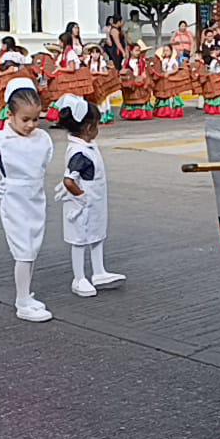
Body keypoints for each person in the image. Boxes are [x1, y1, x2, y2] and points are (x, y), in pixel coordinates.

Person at [0, 78, 54, 323]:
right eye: (25, 119)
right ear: (11, 114)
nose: (31, 125)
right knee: (23, 250)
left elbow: (42, 164)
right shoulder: (0, 140)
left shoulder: (42, 139)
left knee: (32, 248)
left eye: (35, 119)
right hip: (14, 198)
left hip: (36, 198)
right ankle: (22, 300)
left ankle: (27, 293)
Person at [53, 94, 125, 298]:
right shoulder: (80, 152)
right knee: (80, 240)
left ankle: (99, 271)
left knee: (96, 235)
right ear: (88, 128)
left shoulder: (86, 147)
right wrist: (82, 196)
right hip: (83, 204)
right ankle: (79, 278)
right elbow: (69, 180)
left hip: (96, 202)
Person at [119, 41, 153, 121]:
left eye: (139, 50)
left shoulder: (142, 62)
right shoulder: (126, 62)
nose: (138, 52)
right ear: (131, 51)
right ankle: (131, 113)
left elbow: (144, 72)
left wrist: (142, 77)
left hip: (140, 81)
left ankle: (141, 113)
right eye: (136, 50)